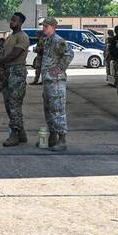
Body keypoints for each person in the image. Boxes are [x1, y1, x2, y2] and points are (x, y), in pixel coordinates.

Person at [38, 17, 70, 150]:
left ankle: (62, 139)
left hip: (56, 82)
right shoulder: (48, 40)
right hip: (48, 81)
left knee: (58, 110)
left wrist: (60, 68)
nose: (44, 28)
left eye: (46, 26)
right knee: (49, 109)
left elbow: (69, 54)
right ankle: (52, 136)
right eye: (43, 26)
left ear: (53, 27)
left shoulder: (58, 40)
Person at [0, 12, 30, 146]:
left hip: (17, 71)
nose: (11, 22)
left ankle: (15, 134)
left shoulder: (22, 37)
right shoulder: (10, 37)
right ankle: (21, 133)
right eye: (11, 20)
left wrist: (1, 61)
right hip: (8, 72)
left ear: (21, 23)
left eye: (15, 21)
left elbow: (16, 54)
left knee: (14, 104)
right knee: (8, 103)